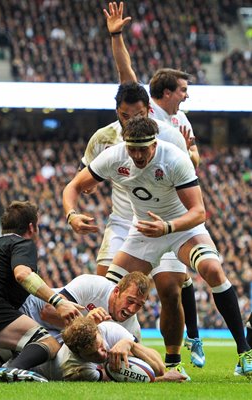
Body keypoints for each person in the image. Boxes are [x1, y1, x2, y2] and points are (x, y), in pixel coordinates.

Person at [63, 116, 252, 378]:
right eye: (133, 149)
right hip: (144, 231)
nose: (138, 155)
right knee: (111, 293)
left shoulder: (173, 158)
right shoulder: (115, 156)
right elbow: (74, 185)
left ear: (155, 143)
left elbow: (199, 212)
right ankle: (102, 354)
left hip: (181, 227)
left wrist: (168, 227)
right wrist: (71, 214)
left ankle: (244, 352)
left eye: (143, 148)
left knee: (210, 270)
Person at [103, 1, 204, 367]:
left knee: (170, 289)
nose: (186, 96)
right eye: (182, 90)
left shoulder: (183, 124)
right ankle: (105, 345)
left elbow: (196, 163)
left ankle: (177, 356)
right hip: (132, 220)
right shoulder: (145, 112)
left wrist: (193, 158)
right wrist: (116, 37)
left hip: (170, 216)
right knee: (110, 285)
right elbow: (126, 73)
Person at [79, 83, 204, 369]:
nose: (131, 122)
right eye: (124, 115)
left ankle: (173, 360)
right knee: (107, 290)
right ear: (117, 112)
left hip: (165, 220)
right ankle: (108, 353)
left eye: (136, 114)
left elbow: (189, 176)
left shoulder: (169, 136)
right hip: (124, 222)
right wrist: (74, 209)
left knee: (170, 290)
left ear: (147, 110)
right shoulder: (104, 139)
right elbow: (82, 179)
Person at [0, 200, 83, 383]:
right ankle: (12, 371)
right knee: (48, 342)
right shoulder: (23, 243)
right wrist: (58, 302)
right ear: (31, 227)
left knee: (3, 352)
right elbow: (23, 274)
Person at [0, 271, 151, 378]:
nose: (132, 309)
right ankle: (11, 369)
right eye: (130, 301)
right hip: (30, 314)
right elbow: (48, 312)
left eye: (139, 305)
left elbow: (136, 368)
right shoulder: (93, 286)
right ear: (116, 291)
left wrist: (129, 345)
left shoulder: (131, 327)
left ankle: (10, 369)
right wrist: (86, 323)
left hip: (56, 339)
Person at [24, 317, 187, 382]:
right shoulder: (76, 367)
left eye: (101, 346)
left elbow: (159, 367)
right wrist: (163, 380)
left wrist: (131, 345)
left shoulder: (108, 329)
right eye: (93, 354)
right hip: (33, 371)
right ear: (79, 354)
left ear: (98, 333)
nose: (102, 354)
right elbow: (120, 380)